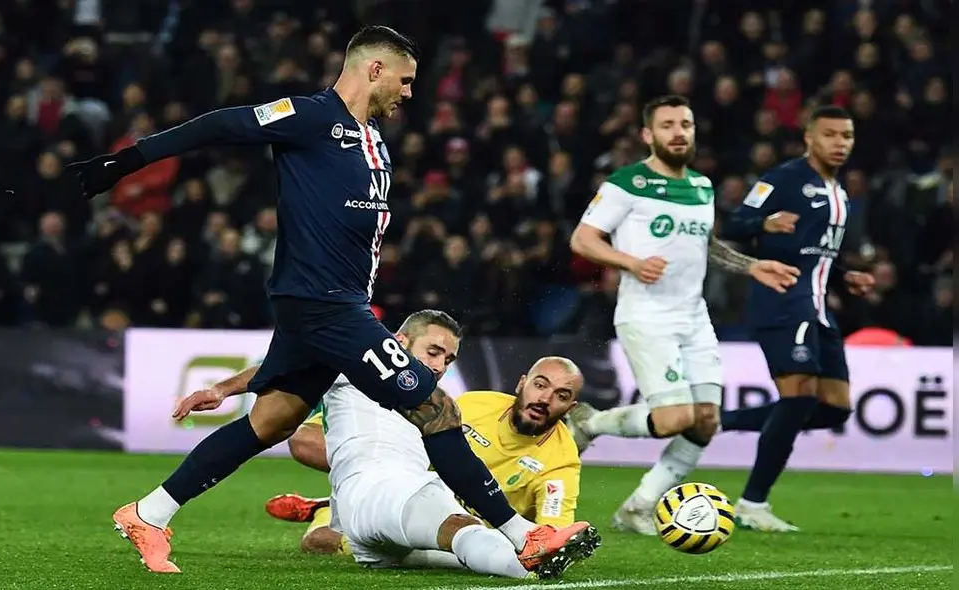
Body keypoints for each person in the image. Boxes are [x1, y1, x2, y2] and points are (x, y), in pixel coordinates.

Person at [71, 26, 592, 573]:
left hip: (325, 305)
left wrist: (226, 385)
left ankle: (148, 513)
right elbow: (225, 123)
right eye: (406, 80)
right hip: (327, 307)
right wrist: (129, 159)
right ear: (375, 70)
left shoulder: (376, 141)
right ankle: (524, 534)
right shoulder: (311, 116)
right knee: (434, 408)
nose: (411, 93)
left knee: (270, 422)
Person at [565, 95, 801, 535]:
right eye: (668, 124)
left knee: (706, 421)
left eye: (686, 124)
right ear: (648, 135)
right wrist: (630, 263)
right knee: (676, 419)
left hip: (694, 318)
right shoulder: (626, 183)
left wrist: (752, 266)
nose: (679, 132)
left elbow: (705, 246)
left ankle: (637, 506)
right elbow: (582, 239)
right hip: (646, 315)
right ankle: (591, 422)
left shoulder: (702, 186)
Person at [717, 105, 875, 532]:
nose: (839, 143)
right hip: (783, 301)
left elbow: (817, 253)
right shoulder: (784, 178)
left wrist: (845, 277)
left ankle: (718, 419)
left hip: (819, 307)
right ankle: (752, 503)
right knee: (800, 397)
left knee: (835, 408)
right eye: (830, 135)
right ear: (809, 137)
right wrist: (764, 222)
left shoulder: (840, 193)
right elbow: (734, 224)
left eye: (847, 135)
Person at [266, 357, 585, 563]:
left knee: (319, 542)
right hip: (410, 497)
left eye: (561, 395)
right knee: (306, 444)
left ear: (569, 410)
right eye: (540, 385)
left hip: (462, 529)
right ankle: (339, 506)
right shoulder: (476, 404)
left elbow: (550, 537)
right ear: (522, 383)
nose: (544, 399)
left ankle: (328, 511)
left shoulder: (561, 464)